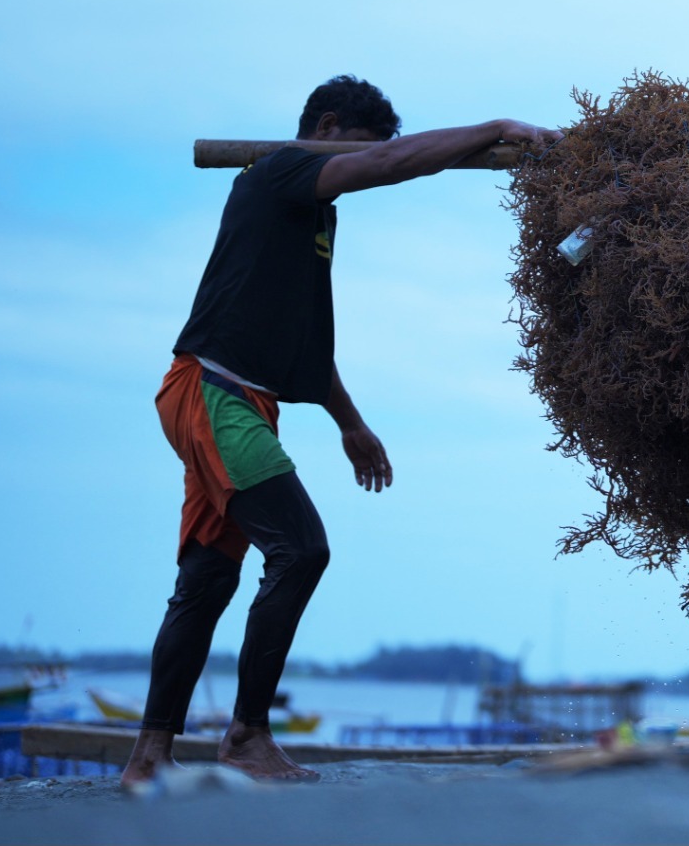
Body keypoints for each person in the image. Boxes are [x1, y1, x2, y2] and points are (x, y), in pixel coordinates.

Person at [120, 76, 560, 786]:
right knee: (301, 549)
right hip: (213, 392)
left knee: (206, 577)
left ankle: (147, 757)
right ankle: (246, 735)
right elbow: (389, 165)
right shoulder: (282, 169)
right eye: (359, 150)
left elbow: (306, 343)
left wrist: (350, 423)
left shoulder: (310, 212)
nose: (363, 168)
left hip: (238, 397)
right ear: (327, 126)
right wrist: (494, 126)